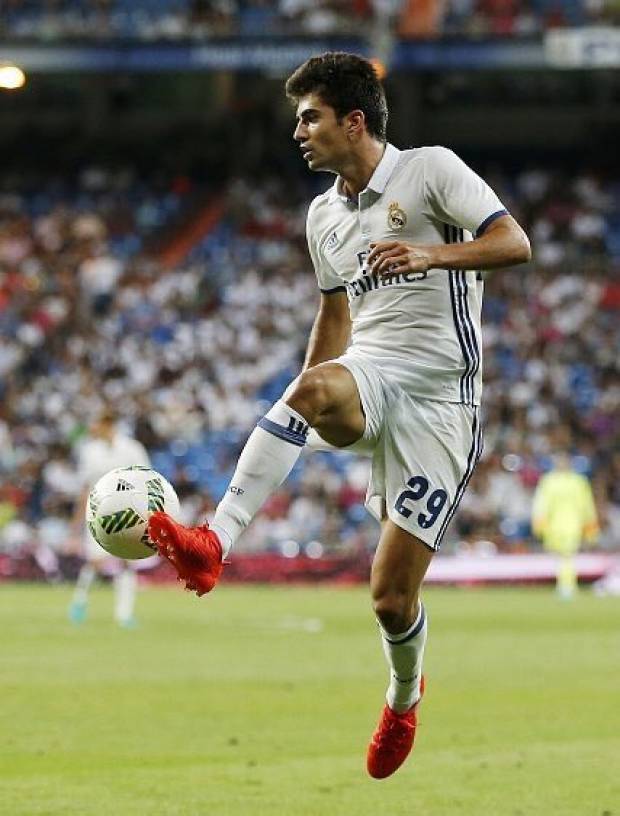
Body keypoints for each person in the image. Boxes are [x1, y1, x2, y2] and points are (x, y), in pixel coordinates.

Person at [147, 52, 531, 778]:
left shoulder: (430, 170)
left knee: (390, 599)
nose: (299, 130)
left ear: (353, 121)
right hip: (370, 372)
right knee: (311, 389)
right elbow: (332, 317)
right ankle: (213, 543)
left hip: (442, 398)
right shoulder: (323, 215)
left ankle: (403, 696)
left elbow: (515, 243)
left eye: (310, 116)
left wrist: (427, 254)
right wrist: (304, 392)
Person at [68, 409, 151, 627]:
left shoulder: (132, 448)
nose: (92, 428)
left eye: (96, 423)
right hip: (97, 511)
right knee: (95, 561)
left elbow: (146, 480)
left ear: (108, 423)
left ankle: (124, 615)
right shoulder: (89, 451)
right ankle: (79, 602)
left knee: (126, 561)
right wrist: (76, 522)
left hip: (127, 512)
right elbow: (85, 487)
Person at [531, 452, 599, 600]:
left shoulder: (552, 481)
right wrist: (591, 528)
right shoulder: (577, 481)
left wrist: (538, 524)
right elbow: (587, 506)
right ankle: (566, 585)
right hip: (567, 524)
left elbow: (540, 505)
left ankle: (566, 586)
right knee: (566, 556)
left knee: (565, 556)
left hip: (559, 525)